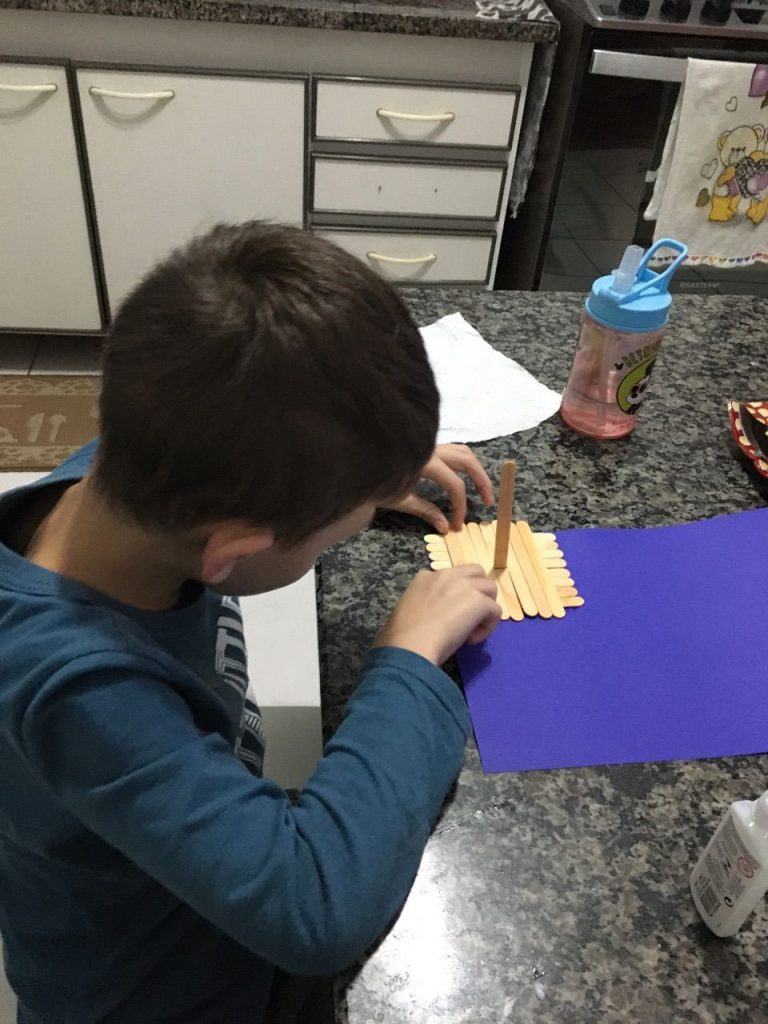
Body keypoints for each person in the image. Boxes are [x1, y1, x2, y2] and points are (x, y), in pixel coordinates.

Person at [0, 222, 501, 1024]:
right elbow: (315, 909)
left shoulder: (134, 473)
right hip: (154, 996)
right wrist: (408, 657)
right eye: (337, 531)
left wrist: (363, 471)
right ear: (234, 553)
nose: (352, 525)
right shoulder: (81, 694)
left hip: (184, 876)